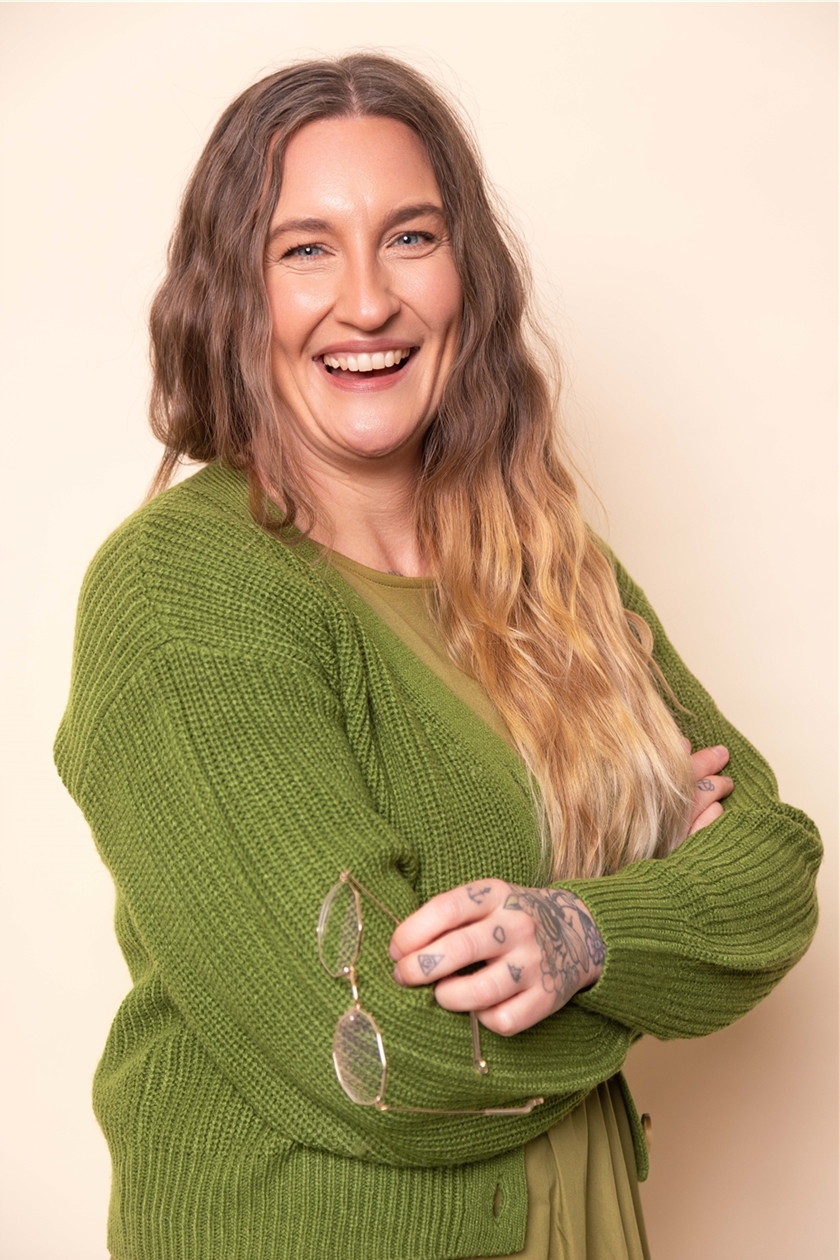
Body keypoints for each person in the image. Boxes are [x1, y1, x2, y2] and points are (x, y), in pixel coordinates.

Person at [54, 53, 820, 1260]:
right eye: (305, 250)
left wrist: (581, 938)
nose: (368, 303)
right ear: (235, 294)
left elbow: (775, 870)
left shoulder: (542, 563)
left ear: (469, 273)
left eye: (410, 237)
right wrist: (649, 928)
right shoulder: (184, 589)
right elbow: (377, 1049)